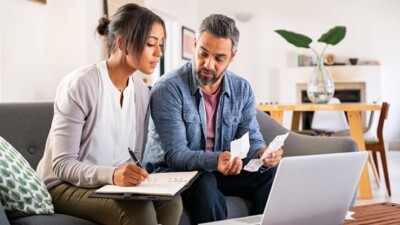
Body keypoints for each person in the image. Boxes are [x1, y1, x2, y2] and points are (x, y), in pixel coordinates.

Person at [36, 4, 182, 225]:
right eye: (151, 44)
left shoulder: (142, 92)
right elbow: (63, 165)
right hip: (63, 186)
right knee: (139, 212)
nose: (159, 53)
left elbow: (136, 156)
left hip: (111, 185)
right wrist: (112, 175)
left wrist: (136, 176)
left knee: (172, 202)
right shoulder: (81, 85)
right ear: (123, 43)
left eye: (160, 45)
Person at [143, 14, 283, 224]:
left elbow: (251, 137)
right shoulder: (168, 88)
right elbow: (175, 155)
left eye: (219, 58)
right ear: (195, 44)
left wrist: (263, 153)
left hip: (218, 169)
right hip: (171, 172)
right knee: (206, 182)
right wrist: (216, 160)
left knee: (272, 175)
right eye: (203, 54)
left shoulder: (242, 89)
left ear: (232, 57)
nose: (208, 64)